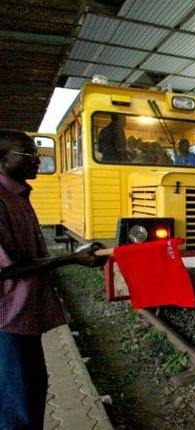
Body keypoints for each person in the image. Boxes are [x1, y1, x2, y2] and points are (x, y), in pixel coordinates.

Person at [0, 130, 108, 429]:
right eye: (28, 154)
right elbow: (4, 268)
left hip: (22, 318)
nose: (38, 160)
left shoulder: (17, 195)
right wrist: (71, 258)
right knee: (17, 408)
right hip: (5, 322)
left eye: (37, 153)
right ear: (2, 160)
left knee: (33, 395)